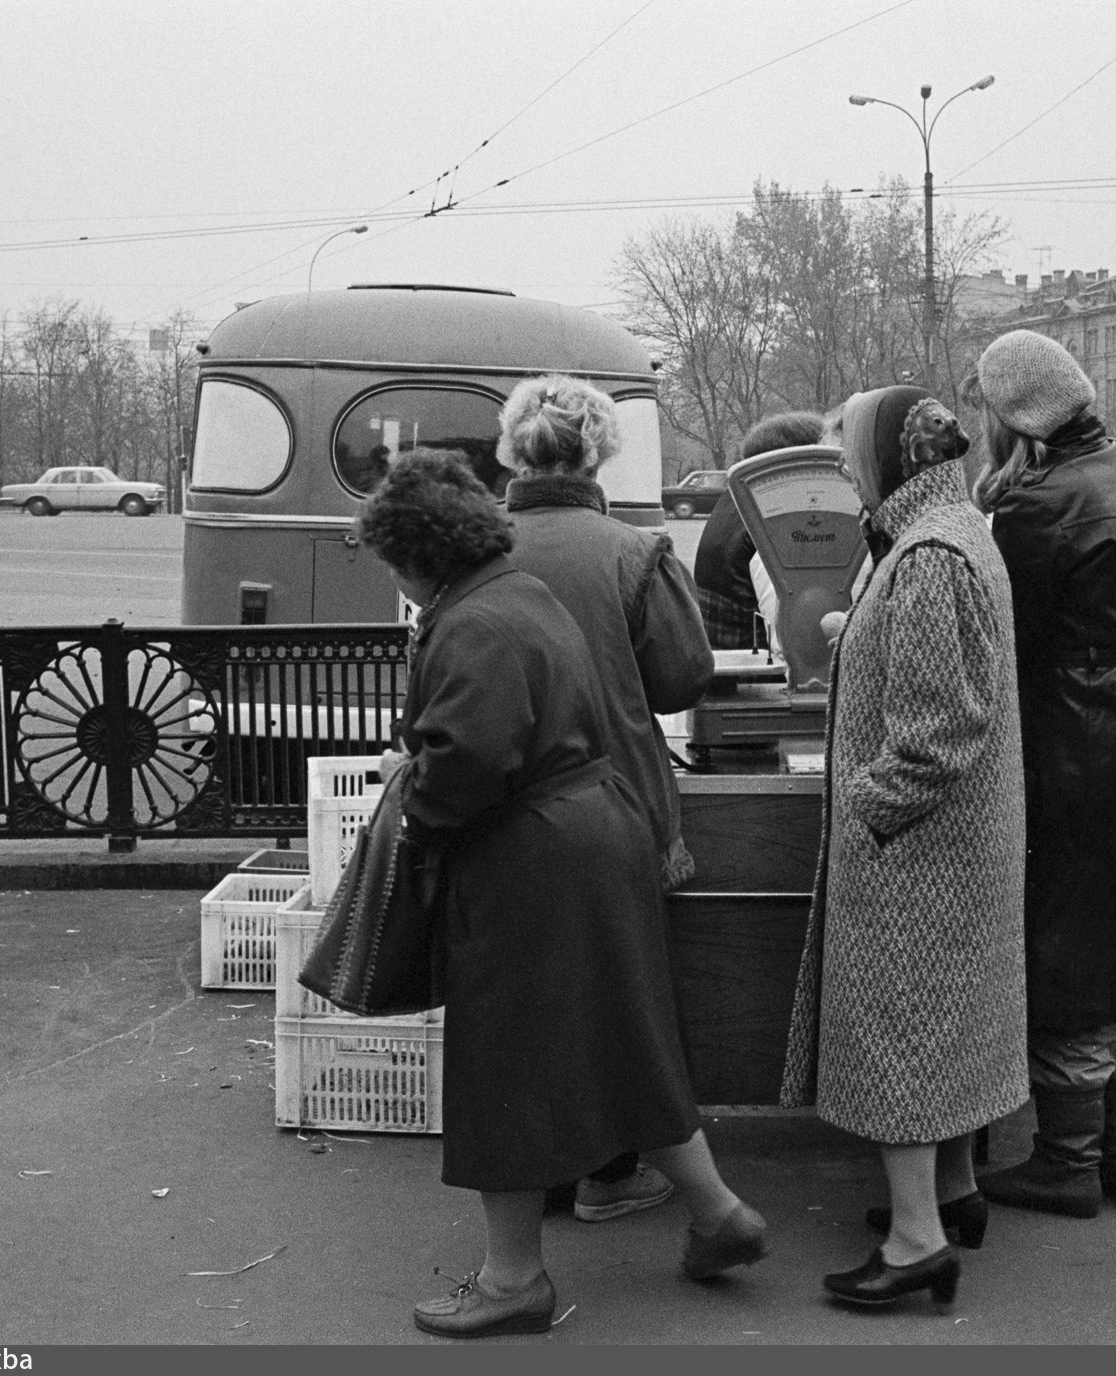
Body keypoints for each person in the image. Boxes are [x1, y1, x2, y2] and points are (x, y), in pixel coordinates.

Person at [355, 449, 767, 1339]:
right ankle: (717, 1213)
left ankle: (513, 1281)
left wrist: (411, 795)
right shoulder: (517, 594)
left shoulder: (471, 623)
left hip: (530, 857)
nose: (390, 571)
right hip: (597, 828)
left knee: (500, 1061)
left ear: (419, 552)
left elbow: (467, 765)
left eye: (390, 555)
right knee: (622, 1037)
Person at [779, 387, 1026, 1311]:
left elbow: (933, 734)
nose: (843, 470)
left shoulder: (925, 559)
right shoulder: (958, 533)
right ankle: (954, 1194)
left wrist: (866, 815)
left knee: (904, 1037)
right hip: (962, 846)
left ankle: (917, 1240)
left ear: (890, 455)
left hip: (919, 853)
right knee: (947, 1025)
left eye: (850, 452)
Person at [969, 329, 1116, 1220]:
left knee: (1069, 952)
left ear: (1013, 413)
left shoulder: (1038, 505)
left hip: (1071, 742)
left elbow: (1005, 649)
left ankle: (1065, 1162)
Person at [497, 374, 712, 1225]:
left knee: (520, 987)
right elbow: (680, 678)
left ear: (512, 449)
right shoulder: (635, 552)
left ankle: (534, 1172)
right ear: (600, 451)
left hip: (501, 801)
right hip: (614, 799)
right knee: (619, 990)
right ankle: (612, 1171)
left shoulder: (473, 547)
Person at [693, 412, 827, 651]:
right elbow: (791, 644)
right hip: (762, 678)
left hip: (727, 668)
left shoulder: (735, 501)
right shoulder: (775, 527)